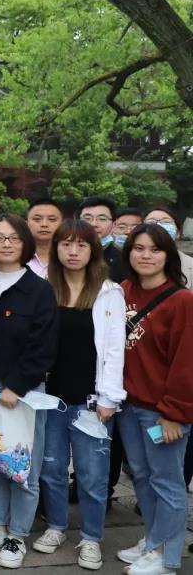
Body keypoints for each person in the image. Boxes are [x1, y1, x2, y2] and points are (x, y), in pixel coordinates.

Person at [0, 214, 58, 569]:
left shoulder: (40, 289)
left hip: (25, 393)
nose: (6, 244)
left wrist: (17, 386)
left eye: (13, 238)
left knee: (23, 466)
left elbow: (44, 346)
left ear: (25, 243)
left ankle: (18, 535)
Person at [32, 219, 125, 570]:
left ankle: (91, 537)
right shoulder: (44, 288)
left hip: (91, 399)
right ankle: (56, 526)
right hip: (50, 398)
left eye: (81, 245)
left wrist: (109, 397)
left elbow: (115, 349)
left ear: (93, 250)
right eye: (66, 244)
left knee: (92, 475)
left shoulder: (109, 292)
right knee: (51, 468)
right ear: (55, 248)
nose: (73, 252)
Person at [114, 223, 193, 575]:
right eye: (139, 248)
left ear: (168, 255)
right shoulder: (123, 290)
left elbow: (186, 362)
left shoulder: (181, 300)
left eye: (155, 249)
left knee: (167, 482)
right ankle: (152, 540)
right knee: (142, 479)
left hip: (162, 412)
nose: (146, 255)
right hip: (129, 406)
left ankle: (166, 556)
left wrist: (174, 413)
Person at [142, 207, 192, 289]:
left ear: (178, 232)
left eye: (166, 222)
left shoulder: (190, 265)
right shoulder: (133, 260)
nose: (159, 226)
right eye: (151, 222)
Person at [78, 196, 123, 282]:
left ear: (114, 224)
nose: (93, 224)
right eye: (87, 218)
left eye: (102, 219)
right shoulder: (66, 251)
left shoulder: (122, 258)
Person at [26, 198, 63, 278]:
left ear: (62, 224)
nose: (44, 224)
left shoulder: (70, 257)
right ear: (26, 223)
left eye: (52, 219)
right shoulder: (16, 257)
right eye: (37, 219)